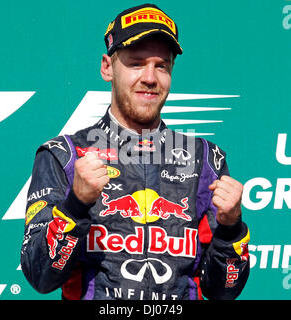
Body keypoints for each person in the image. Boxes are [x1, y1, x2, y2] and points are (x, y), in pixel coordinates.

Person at [21, 3, 250, 300]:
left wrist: (231, 228)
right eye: (136, 63)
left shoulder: (206, 159)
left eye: (161, 65)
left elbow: (224, 291)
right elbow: (40, 276)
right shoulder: (63, 155)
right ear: (107, 68)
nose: (150, 78)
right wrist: (75, 205)